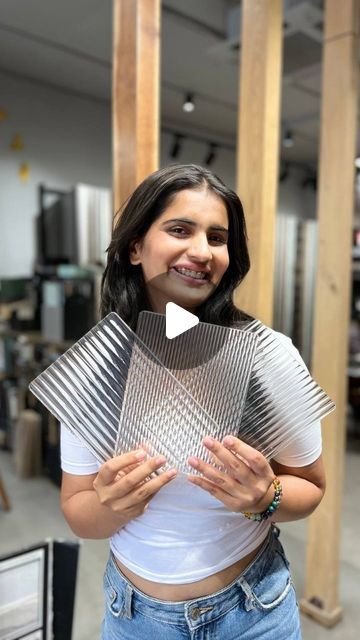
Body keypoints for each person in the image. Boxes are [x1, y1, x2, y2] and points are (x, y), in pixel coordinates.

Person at [60, 164, 326, 639]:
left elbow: (310, 487)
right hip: (135, 619)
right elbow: (78, 511)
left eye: (218, 237)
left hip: (254, 612)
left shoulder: (267, 356)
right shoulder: (96, 368)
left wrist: (265, 499)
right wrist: (116, 505)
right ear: (136, 247)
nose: (202, 251)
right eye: (180, 229)